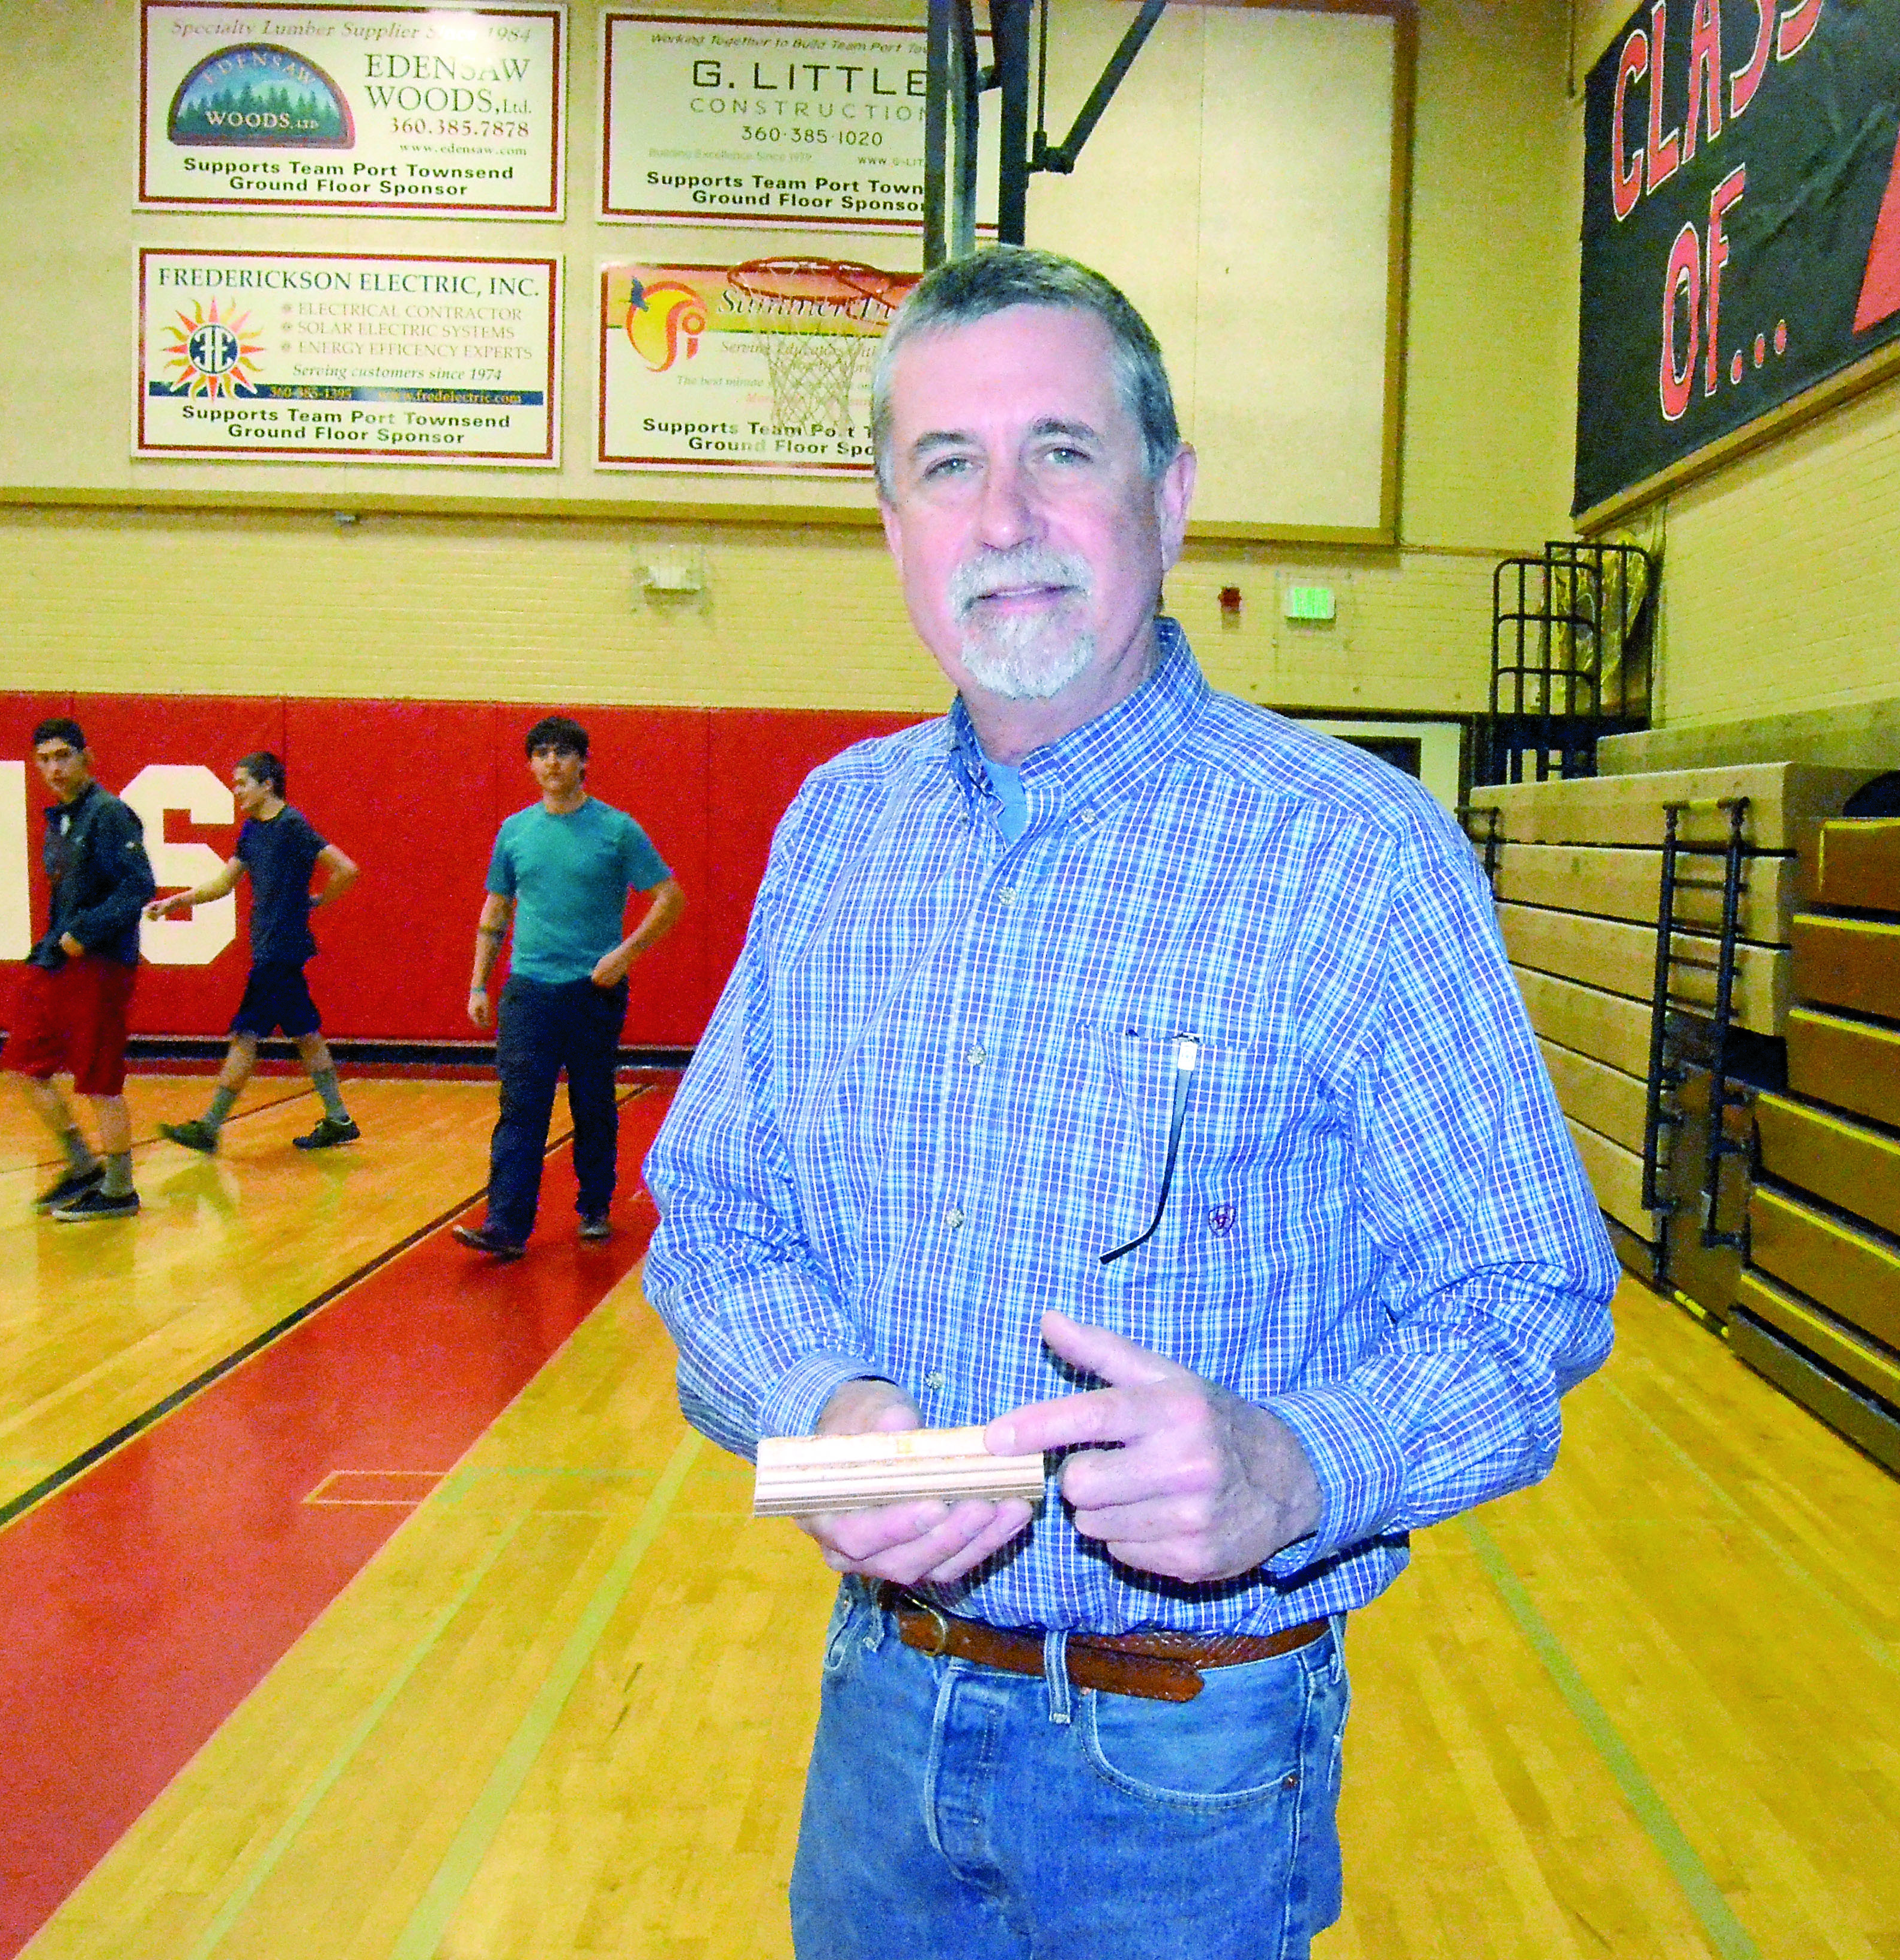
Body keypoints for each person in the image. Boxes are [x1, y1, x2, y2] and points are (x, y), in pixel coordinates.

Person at [639, 247, 1617, 1959]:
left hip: (1191, 1751)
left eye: (1062, 451)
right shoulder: (836, 833)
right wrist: (823, 1406)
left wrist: (1298, 1461)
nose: (1003, 516)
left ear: (1170, 498)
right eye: (947, 466)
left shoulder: (1356, 860)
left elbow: (1528, 1295)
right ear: (893, 525)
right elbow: (717, 1219)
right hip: (883, 1709)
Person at [453, 715, 684, 1258]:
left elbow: (669, 897)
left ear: (584, 762)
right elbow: (496, 909)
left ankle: (595, 1207)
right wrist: (478, 984)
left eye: (563, 753)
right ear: (531, 764)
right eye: (542, 753)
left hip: (593, 992)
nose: (552, 762)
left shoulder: (617, 830)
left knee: (593, 1101)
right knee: (521, 1109)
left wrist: (625, 954)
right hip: (529, 991)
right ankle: (506, 1227)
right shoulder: (514, 832)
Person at [149, 751, 363, 1154]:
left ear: (267, 784)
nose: (237, 791)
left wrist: (318, 900)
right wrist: (175, 903)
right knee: (306, 1035)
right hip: (272, 947)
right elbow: (223, 883)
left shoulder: (292, 826)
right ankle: (339, 1119)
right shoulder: (251, 831)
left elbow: (347, 868)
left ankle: (210, 1126)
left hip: (279, 950)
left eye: (242, 782)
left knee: (246, 1035)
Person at [5, 718, 157, 1222]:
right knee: (27, 1061)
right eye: (45, 758)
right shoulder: (61, 818)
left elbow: (137, 887)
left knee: (97, 1078)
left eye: (63, 756)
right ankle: (81, 1164)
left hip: (99, 964)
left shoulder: (110, 814)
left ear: (86, 758)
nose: (54, 767)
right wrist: (54, 944)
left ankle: (119, 1188)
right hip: (56, 958)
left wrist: (84, 933)